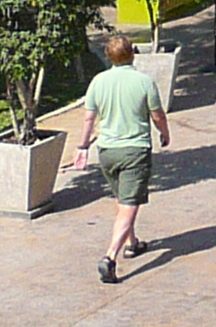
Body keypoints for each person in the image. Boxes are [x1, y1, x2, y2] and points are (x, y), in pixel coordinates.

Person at [70, 35, 170, 283]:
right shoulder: (144, 82)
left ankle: (133, 242)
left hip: (107, 151)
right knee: (130, 203)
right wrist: (165, 134)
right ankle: (110, 257)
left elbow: (88, 119)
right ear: (132, 54)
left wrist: (82, 146)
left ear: (108, 56)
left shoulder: (98, 81)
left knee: (121, 198)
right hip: (134, 150)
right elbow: (157, 115)